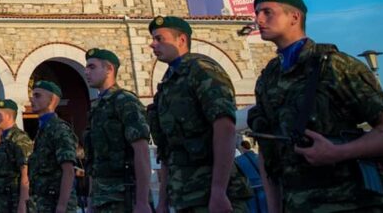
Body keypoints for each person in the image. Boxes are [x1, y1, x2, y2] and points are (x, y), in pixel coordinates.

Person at [247, 0, 383, 211]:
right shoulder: (268, 79)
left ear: (294, 17)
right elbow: (268, 153)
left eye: (267, 12)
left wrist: (340, 152)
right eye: (257, 13)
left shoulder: (335, 66)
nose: (258, 19)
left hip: (352, 202)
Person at [148, 16, 251, 213]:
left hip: (211, 193)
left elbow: (225, 128)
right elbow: (168, 149)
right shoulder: (168, 85)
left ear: (181, 40)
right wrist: (163, 201)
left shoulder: (202, 70)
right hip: (184, 196)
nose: (153, 44)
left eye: (159, 39)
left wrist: (219, 191)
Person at [82, 48, 152, 212]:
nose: (86, 72)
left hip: (124, 197)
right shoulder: (97, 107)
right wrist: (91, 201)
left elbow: (141, 150)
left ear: (109, 69)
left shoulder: (125, 101)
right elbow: (94, 161)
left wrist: (142, 201)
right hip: (102, 199)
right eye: (86, 67)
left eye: (92, 67)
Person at [27, 81, 77, 213]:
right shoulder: (43, 129)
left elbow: (68, 170)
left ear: (52, 100)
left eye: (38, 96)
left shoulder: (58, 129)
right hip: (43, 203)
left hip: (56, 203)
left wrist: (62, 206)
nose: (32, 100)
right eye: (32, 96)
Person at [0, 99, 33, 213]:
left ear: (8, 116)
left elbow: (26, 173)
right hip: (4, 202)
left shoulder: (19, 138)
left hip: (15, 202)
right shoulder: (4, 140)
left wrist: (23, 204)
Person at [233, 142, 266, 213]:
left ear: (242, 147)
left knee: (252, 209)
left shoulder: (238, 160)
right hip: (262, 185)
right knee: (264, 208)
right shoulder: (258, 157)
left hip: (249, 187)